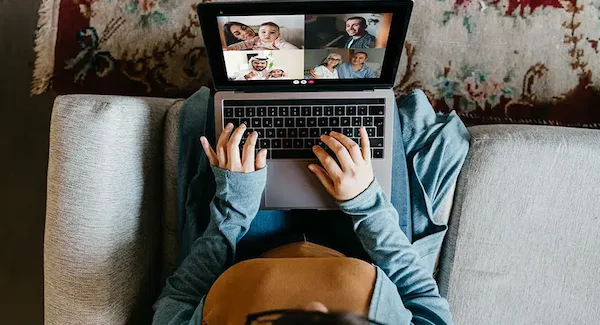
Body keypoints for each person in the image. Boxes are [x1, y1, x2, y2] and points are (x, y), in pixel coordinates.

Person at [152, 119, 453, 324]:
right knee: (367, 120)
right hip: (359, 246)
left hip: (248, 242)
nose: (314, 308)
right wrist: (366, 203)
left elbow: (180, 298)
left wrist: (234, 206)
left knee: (239, 121)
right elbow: (420, 296)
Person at [227, 22, 299, 51]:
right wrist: (232, 47)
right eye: (238, 33)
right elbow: (244, 44)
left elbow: (285, 46)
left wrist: (297, 53)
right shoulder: (256, 39)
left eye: (244, 28)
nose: (267, 35)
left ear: (278, 35)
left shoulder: (277, 41)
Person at [310, 52, 377, 79]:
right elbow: (329, 65)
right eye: (355, 57)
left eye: (360, 58)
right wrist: (313, 69)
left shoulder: (368, 70)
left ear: (365, 60)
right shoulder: (342, 65)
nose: (356, 59)